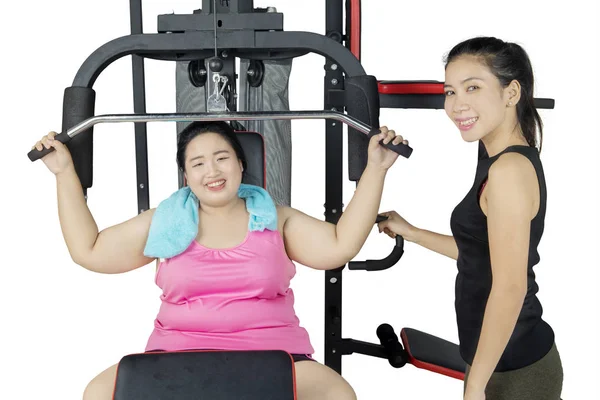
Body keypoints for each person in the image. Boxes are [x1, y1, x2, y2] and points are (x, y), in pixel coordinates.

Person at [32, 120, 407, 400]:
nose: (211, 171)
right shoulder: (164, 221)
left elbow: (340, 245)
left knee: (336, 395)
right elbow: (89, 250)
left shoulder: (276, 218)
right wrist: (65, 173)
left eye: (221, 158)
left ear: (241, 165)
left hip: (274, 353)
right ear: (186, 176)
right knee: (98, 393)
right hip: (176, 355)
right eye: (197, 163)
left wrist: (376, 169)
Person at [377, 37, 563, 400]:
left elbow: (511, 288)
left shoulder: (509, 169)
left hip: (515, 369)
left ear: (511, 94)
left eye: (472, 88)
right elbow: (482, 254)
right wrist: (412, 233)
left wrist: (475, 386)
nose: (457, 105)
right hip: (493, 362)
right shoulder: (495, 158)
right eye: (450, 91)